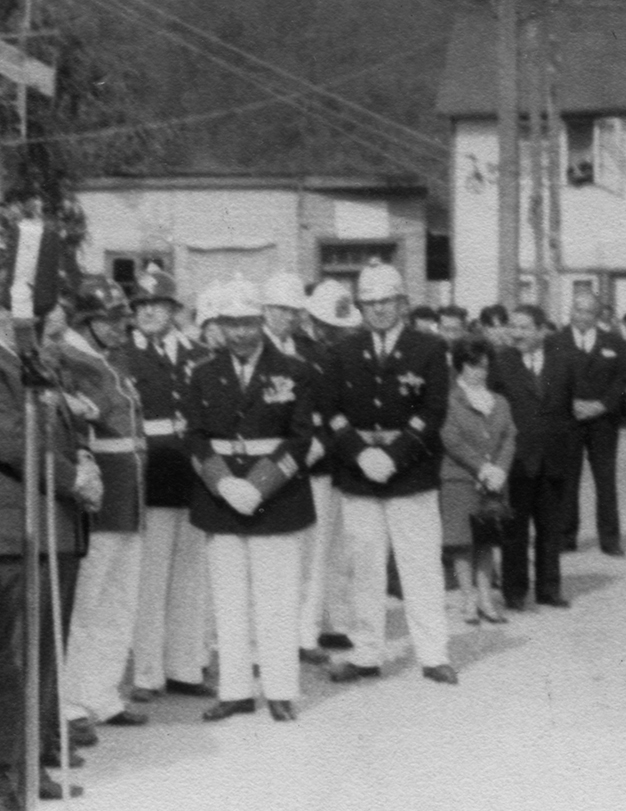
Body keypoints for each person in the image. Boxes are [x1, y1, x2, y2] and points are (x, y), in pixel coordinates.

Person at [0, 263, 102, 811]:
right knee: (6, 660)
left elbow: (56, 428)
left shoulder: (19, 360)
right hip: (7, 536)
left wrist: (81, 462)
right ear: (11, 316)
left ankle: (31, 768)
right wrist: (73, 477)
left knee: (42, 656)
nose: (46, 334)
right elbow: (11, 442)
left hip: (50, 528)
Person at [185, 275, 318, 720]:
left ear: (262, 320)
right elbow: (196, 436)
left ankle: (280, 689)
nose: (239, 332)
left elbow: (300, 440)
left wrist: (258, 485)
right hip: (221, 498)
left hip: (276, 497)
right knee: (228, 598)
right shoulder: (203, 373)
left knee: (276, 598)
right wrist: (223, 483)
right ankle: (236, 689)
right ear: (219, 324)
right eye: (230, 323)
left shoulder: (295, 371)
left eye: (247, 321)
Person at [321, 262, 456, 686]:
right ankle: (366, 653)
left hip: (411, 470)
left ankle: (433, 654)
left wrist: (394, 456)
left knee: (420, 565)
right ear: (360, 305)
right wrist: (360, 454)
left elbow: (432, 411)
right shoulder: (342, 351)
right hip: (359, 473)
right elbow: (331, 412)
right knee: (365, 566)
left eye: (386, 301)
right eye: (370, 302)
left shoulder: (429, 348)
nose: (378, 310)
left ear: (402, 302)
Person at [56, 276, 152, 736]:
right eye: (109, 320)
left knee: (119, 603)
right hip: (98, 500)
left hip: (129, 497)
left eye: (120, 320)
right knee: (86, 606)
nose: (119, 328)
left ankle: (103, 693)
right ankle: (71, 703)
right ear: (87, 321)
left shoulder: (109, 358)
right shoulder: (68, 359)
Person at [120, 266, 215, 700]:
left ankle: (184, 667)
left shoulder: (197, 354)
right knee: (151, 579)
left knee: (190, 578)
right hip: (151, 476)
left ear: (174, 310)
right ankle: (147, 673)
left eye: (157, 305)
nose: (149, 312)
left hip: (192, 478)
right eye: (141, 305)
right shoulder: (124, 357)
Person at [488, 305, 579, 611]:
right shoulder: (500, 363)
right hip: (515, 458)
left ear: (542, 330)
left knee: (550, 528)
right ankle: (515, 592)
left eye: (525, 327)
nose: (517, 333)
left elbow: (570, 409)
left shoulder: (563, 362)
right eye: (514, 327)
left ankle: (549, 589)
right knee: (514, 529)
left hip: (554, 457)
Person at [298, 278, 361, 656]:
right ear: (315, 322)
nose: (336, 334)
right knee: (315, 550)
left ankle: (336, 621)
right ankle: (307, 630)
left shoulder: (340, 351)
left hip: (341, 462)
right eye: (330, 327)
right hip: (318, 461)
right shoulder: (303, 355)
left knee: (341, 548)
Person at [439, 338, 516, 625]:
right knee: (462, 543)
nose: (479, 372)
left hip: (494, 481)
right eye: (473, 366)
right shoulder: (450, 400)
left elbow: (509, 436)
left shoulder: (500, 401)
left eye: (484, 366)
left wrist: (500, 470)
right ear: (460, 366)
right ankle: (468, 598)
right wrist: (482, 467)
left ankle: (486, 598)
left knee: (486, 541)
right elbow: (451, 440)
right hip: (460, 480)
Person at [555, 291, 626, 558]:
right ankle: (565, 536)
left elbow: (622, 380)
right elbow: (550, 378)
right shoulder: (555, 340)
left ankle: (610, 539)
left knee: (605, 480)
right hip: (569, 418)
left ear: (598, 315)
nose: (582, 316)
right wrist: (569, 403)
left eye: (588, 311)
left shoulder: (615, 342)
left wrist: (602, 405)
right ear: (570, 311)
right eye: (577, 309)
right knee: (567, 479)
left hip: (603, 421)